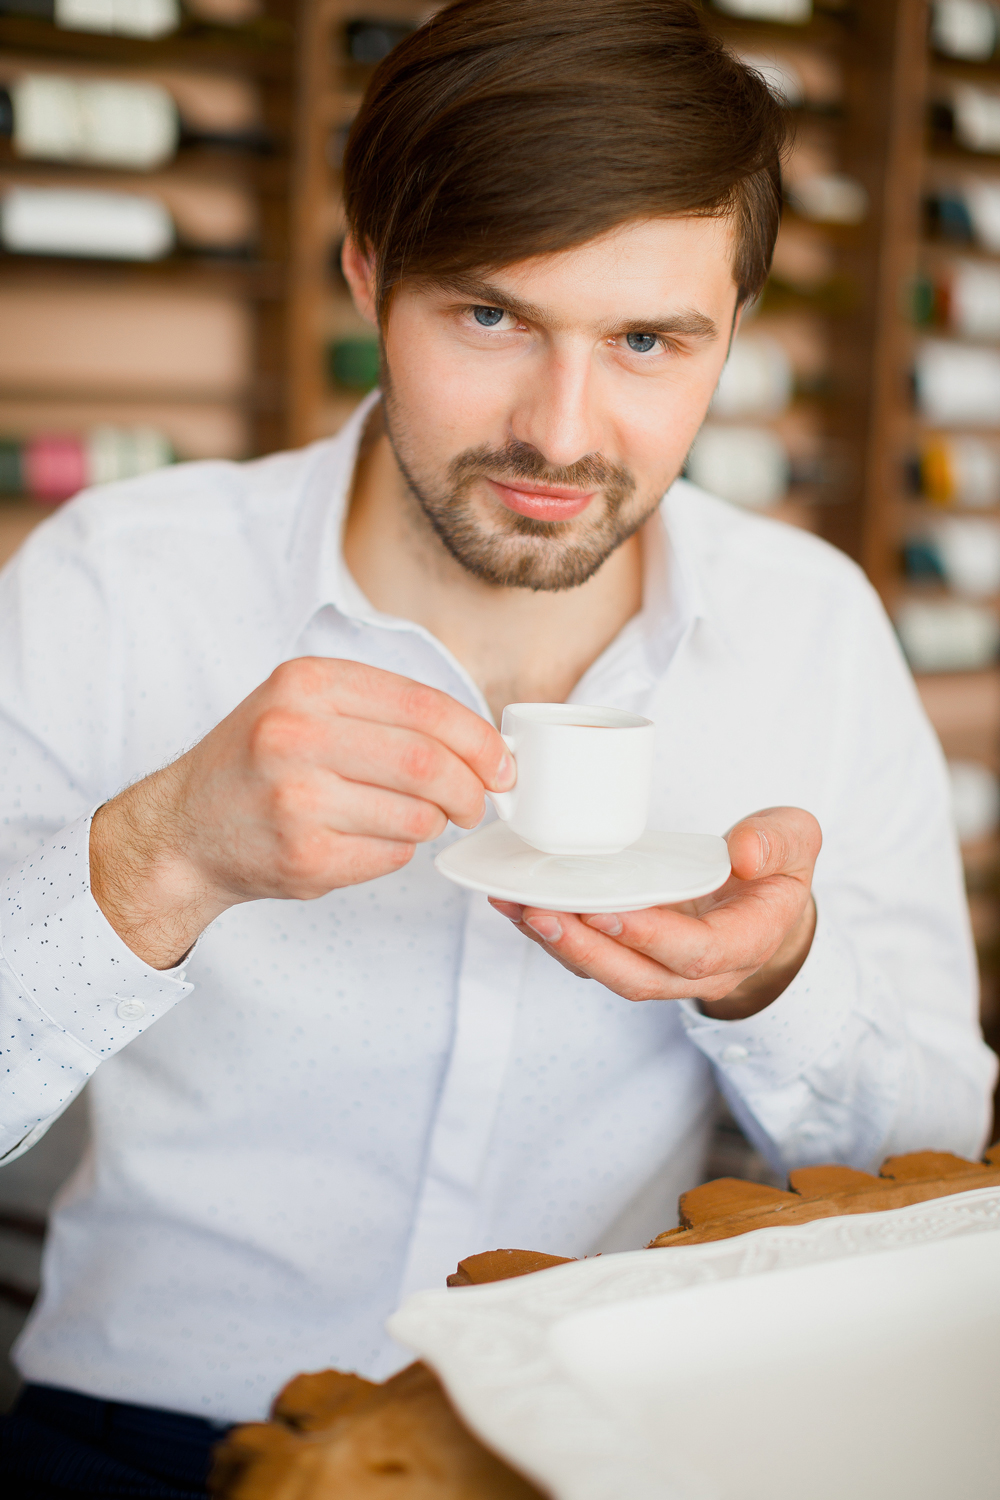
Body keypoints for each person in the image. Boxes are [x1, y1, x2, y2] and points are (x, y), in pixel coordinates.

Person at [1, 0, 995, 1494]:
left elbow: (939, 1151)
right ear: (366, 272)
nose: (561, 432)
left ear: (731, 335)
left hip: (604, 1445)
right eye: (491, 316)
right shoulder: (119, 580)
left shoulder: (810, 631)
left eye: (649, 340)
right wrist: (162, 856)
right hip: (139, 1436)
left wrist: (775, 985)